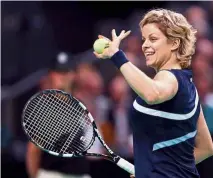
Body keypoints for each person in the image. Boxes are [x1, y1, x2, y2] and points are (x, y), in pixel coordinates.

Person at [93, 8, 213, 178]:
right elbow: (206, 148)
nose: (145, 45)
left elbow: (152, 94)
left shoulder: (170, 78)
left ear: (174, 43)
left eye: (153, 39)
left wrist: (117, 56)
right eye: (144, 39)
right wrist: (156, 172)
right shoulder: (189, 85)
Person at [26, 52, 91, 178]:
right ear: (51, 75)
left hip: (80, 174)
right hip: (52, 174)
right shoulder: (43, 106)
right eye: (59, 72)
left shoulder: (79, 105)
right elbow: (33, 151)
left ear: (74, 75)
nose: (63, 76)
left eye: (67, 71)